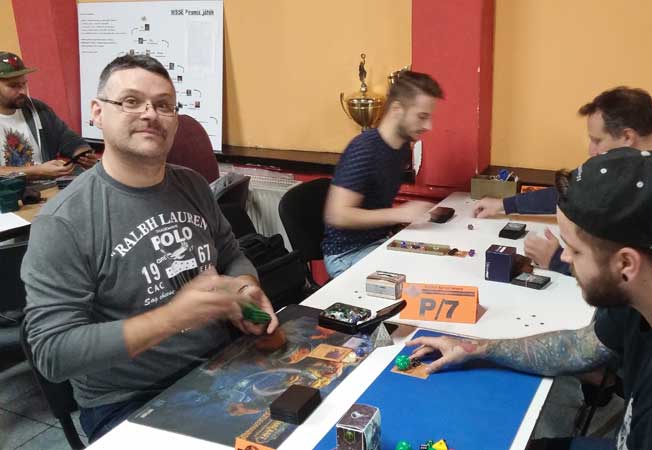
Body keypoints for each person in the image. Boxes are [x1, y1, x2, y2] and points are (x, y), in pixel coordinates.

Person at [412, 148, 652, 450]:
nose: (564, 258)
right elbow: (578, 348)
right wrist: (475, 347)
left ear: (626, 263)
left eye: (575, 250)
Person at [22, 54, 279, 443]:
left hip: (221, 365)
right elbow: (53, 353)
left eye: (163, 105)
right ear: (97, 112)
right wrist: (173, 317)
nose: (150, 114)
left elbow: (231, 254)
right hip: (128, 401)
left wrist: (245, 287)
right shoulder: (63, 222)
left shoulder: (192, 185)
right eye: (131, 101)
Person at [472, 87, 652, 274]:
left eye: (597, 140)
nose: (591, 151)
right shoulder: (630, 168)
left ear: (627, 137)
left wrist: (559, 261)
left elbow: (650, 280)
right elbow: (578, 193)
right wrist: (505, 204)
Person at [322, 71, 443, 277]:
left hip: (379, 242)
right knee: (424, 278)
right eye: (422, 116)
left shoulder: (402, 147)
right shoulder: (364, 149)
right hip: (346, 254)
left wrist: (407, 215)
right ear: (396, 109)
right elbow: (337, 214)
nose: (428, 126)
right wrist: (400, 214)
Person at [0, 51, 96, 179]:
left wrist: (84, 155)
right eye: (13, 86)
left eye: (24, 84)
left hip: (47, 188)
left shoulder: (37, 109)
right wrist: (36, 171)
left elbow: (69, 140)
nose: (23, 91)